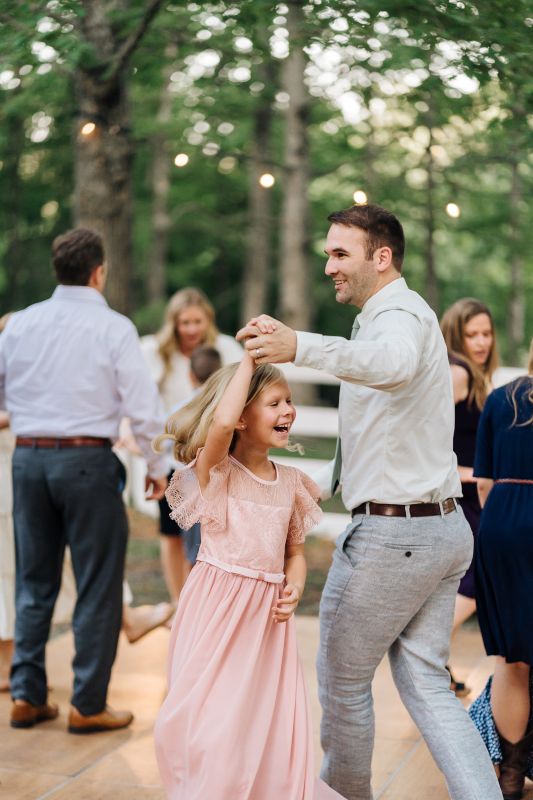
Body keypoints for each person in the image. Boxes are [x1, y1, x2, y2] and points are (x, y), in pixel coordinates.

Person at [237, 203, 502, 800]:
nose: (328, 265)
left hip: (395, 539)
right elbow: (378, 424)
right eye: (327, 252)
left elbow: (393, 365)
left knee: (343, 683)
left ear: (381, 258)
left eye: (340, 254)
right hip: (441, 530)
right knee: (428, 686)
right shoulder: (386, 317)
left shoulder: (400, 318)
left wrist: (298, 345)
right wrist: (316, 485)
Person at [0, 228, 169, 733]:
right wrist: (159, 471)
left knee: (34, 582)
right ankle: (87, 704)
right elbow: (143, 408)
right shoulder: (113, 328)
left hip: (28, 461)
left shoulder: (20, 325)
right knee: (98, 587)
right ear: (98, 271)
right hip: (87, 464)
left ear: (58, 270)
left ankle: (27, 696)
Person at [153, 353, 344, 799]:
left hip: (265, 623)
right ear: (241, 417)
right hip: (216, 614)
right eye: (275, 403)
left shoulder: (292, 483)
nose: (288, 411)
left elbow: (293, 554)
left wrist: (294, 584)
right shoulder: (216, 472)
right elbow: (217, 427)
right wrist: (248, 362)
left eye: (290, 401)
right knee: (212, 720)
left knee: (258, 717)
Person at [141, 288, 242, 602]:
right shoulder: (157, 353)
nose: (192, 329)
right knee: (172, 533)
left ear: (207, 321)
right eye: (185, 322)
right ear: (174, 323)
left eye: (197, 321)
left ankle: (202, 602)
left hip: (215, 457)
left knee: (205, 534)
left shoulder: (224, 350)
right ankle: (178, 600)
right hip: (173, 457)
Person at [468, 338, 533, 800]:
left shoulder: (500, 399)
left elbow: (484, 483)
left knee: (512, 662)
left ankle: (510, 779)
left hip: (502, 526)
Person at [441, 298, 498, 695]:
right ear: (455, 336)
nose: (481, 342)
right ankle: (427, 657)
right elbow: (427, 441)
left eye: (487, 333)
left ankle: (435, 665)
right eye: (471, 334)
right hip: (460, 496)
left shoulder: (475, 374)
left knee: (465, 582)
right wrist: (471, 474)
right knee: (477, 581)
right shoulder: (457, 373)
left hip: (476, 495)